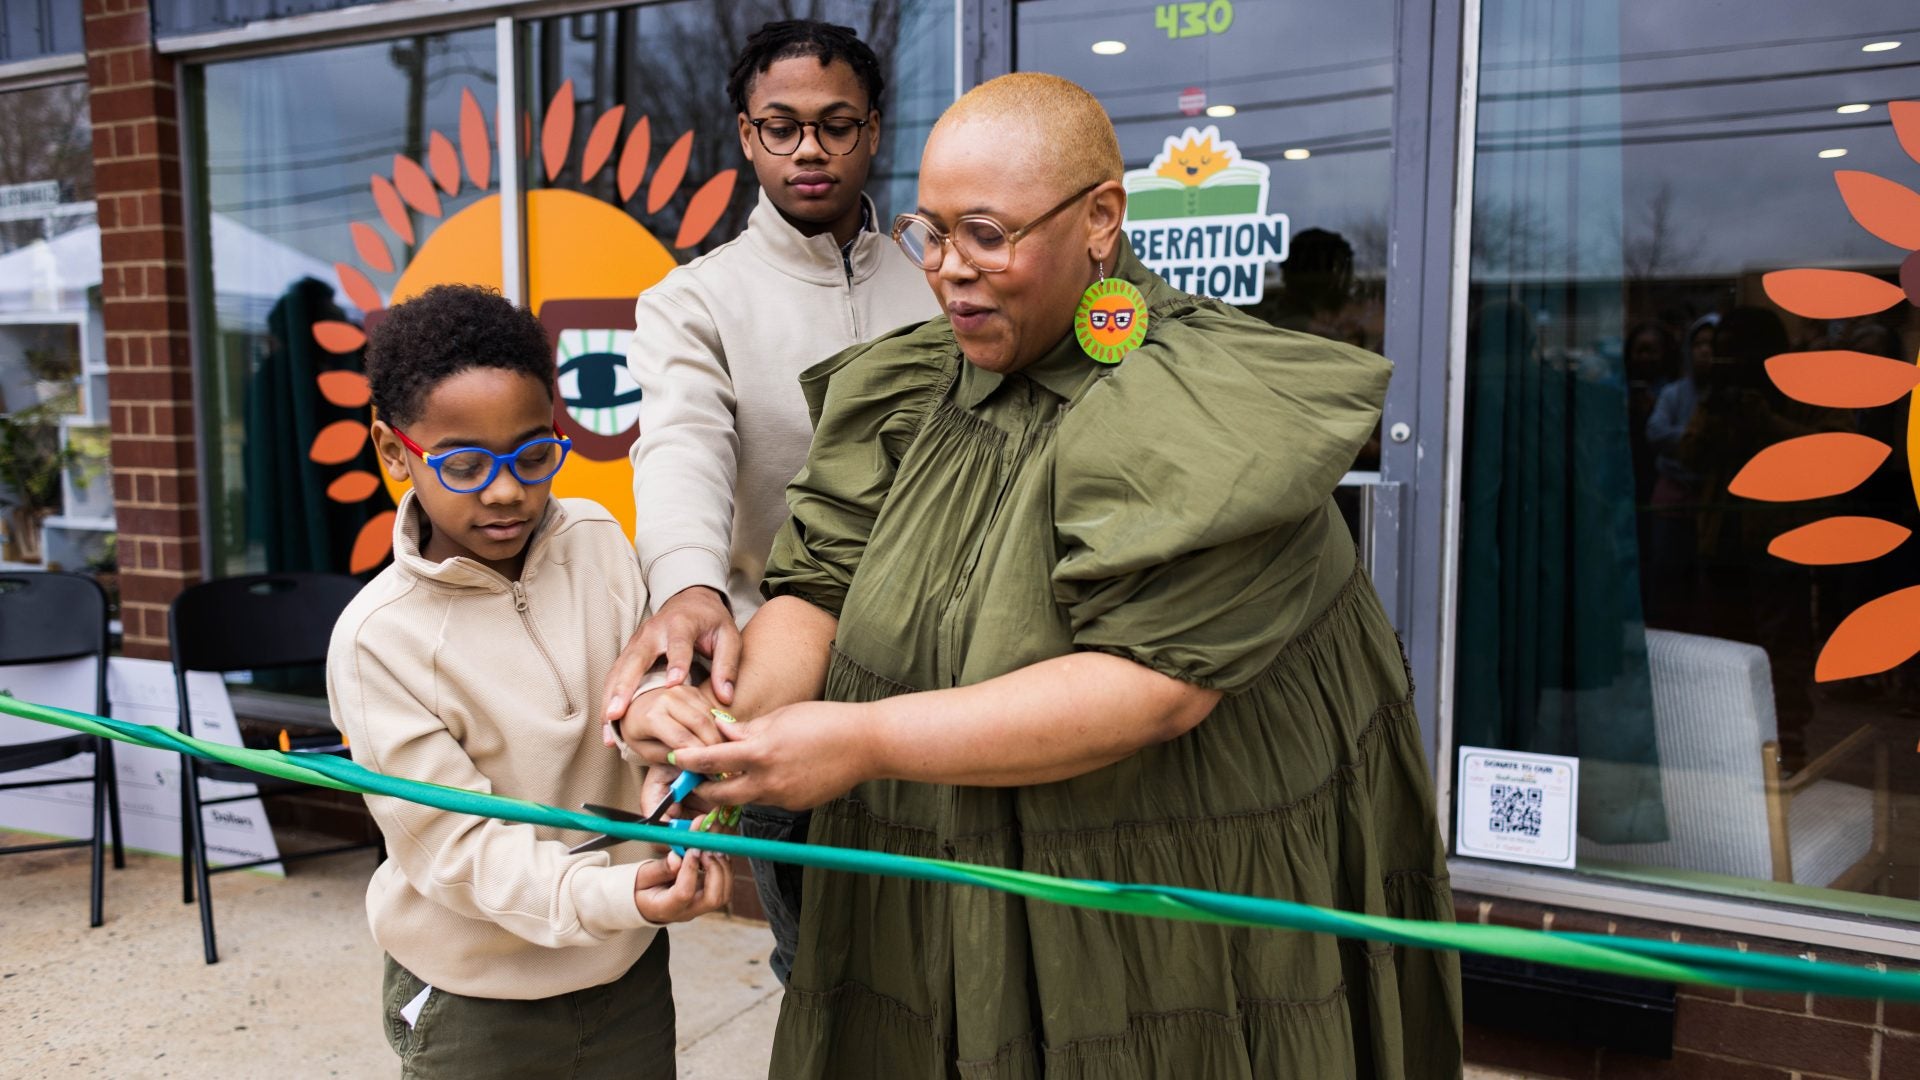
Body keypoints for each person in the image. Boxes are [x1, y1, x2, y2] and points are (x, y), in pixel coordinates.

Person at [629, 74, 1460, 1076]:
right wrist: (724, 727)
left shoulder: (1207, 406)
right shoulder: (910, 385)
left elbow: (1155, 688)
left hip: (1141, 902)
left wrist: (860, 740)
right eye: (931, 234)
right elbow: (817, 590)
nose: (948, 271)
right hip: (922, 883)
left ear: (1101, 217)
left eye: (987, 235)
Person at [604, 18, 937, 984]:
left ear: (873, 130)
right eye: (781, 127)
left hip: (945, 677)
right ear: (747, 137)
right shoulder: (695, 301)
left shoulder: (941, 280)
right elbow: (681, 448)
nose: (809, 150)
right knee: (826, 969)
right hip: (787, 684)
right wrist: (688, 585)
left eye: (836, 125)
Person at [329, 284, 730, 1079]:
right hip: (476, 1004)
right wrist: (616, 896)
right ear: (394, 451)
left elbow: (645, 692)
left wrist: (667, 749)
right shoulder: (379, 641)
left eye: (534, 455)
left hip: (625, 972)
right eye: (465, 465)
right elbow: (459, 849)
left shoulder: (598, 541)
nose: (507, 490)